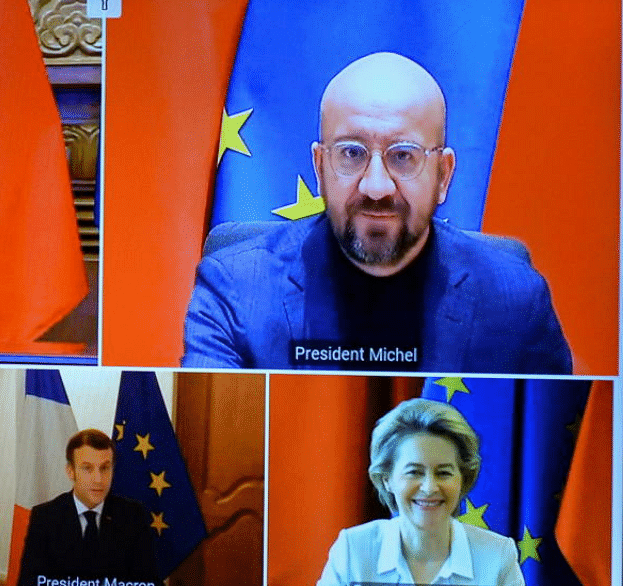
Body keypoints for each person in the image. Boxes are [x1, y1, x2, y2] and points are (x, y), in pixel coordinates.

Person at [182, 52, 571, 374]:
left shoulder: (516, 303)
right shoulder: (235, 288)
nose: (376, 187)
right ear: (319, 168)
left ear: (444, 175)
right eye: (351, 153)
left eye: (404, 156)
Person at [308, 398, 534, 586]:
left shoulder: (497, 554)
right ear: (387, 478)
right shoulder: (353, 549)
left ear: (463, 478)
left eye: (443, 473)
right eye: (414, 472)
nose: (429, 488)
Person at [17, 429, 162, 586]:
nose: (98, 479)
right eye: (87, 468)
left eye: (105, 468)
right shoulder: (45, 517)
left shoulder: (133, 515)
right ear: (71, 471)